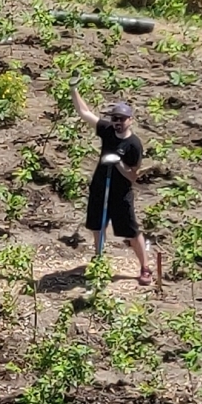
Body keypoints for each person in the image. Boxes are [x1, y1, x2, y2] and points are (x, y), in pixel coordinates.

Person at [75, 92, 158, 288]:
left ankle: (145, 267)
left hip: (120, 193)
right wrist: (74, 89)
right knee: (97, 225)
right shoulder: (107, 131)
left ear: (130, 120)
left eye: (121, 119)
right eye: (114, 118)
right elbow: (84, 112)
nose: (117, 122)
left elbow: (133, 176)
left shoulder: (133, 145)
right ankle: (99, 261)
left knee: (131, 230)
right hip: (100, 186)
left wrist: (119, 163)